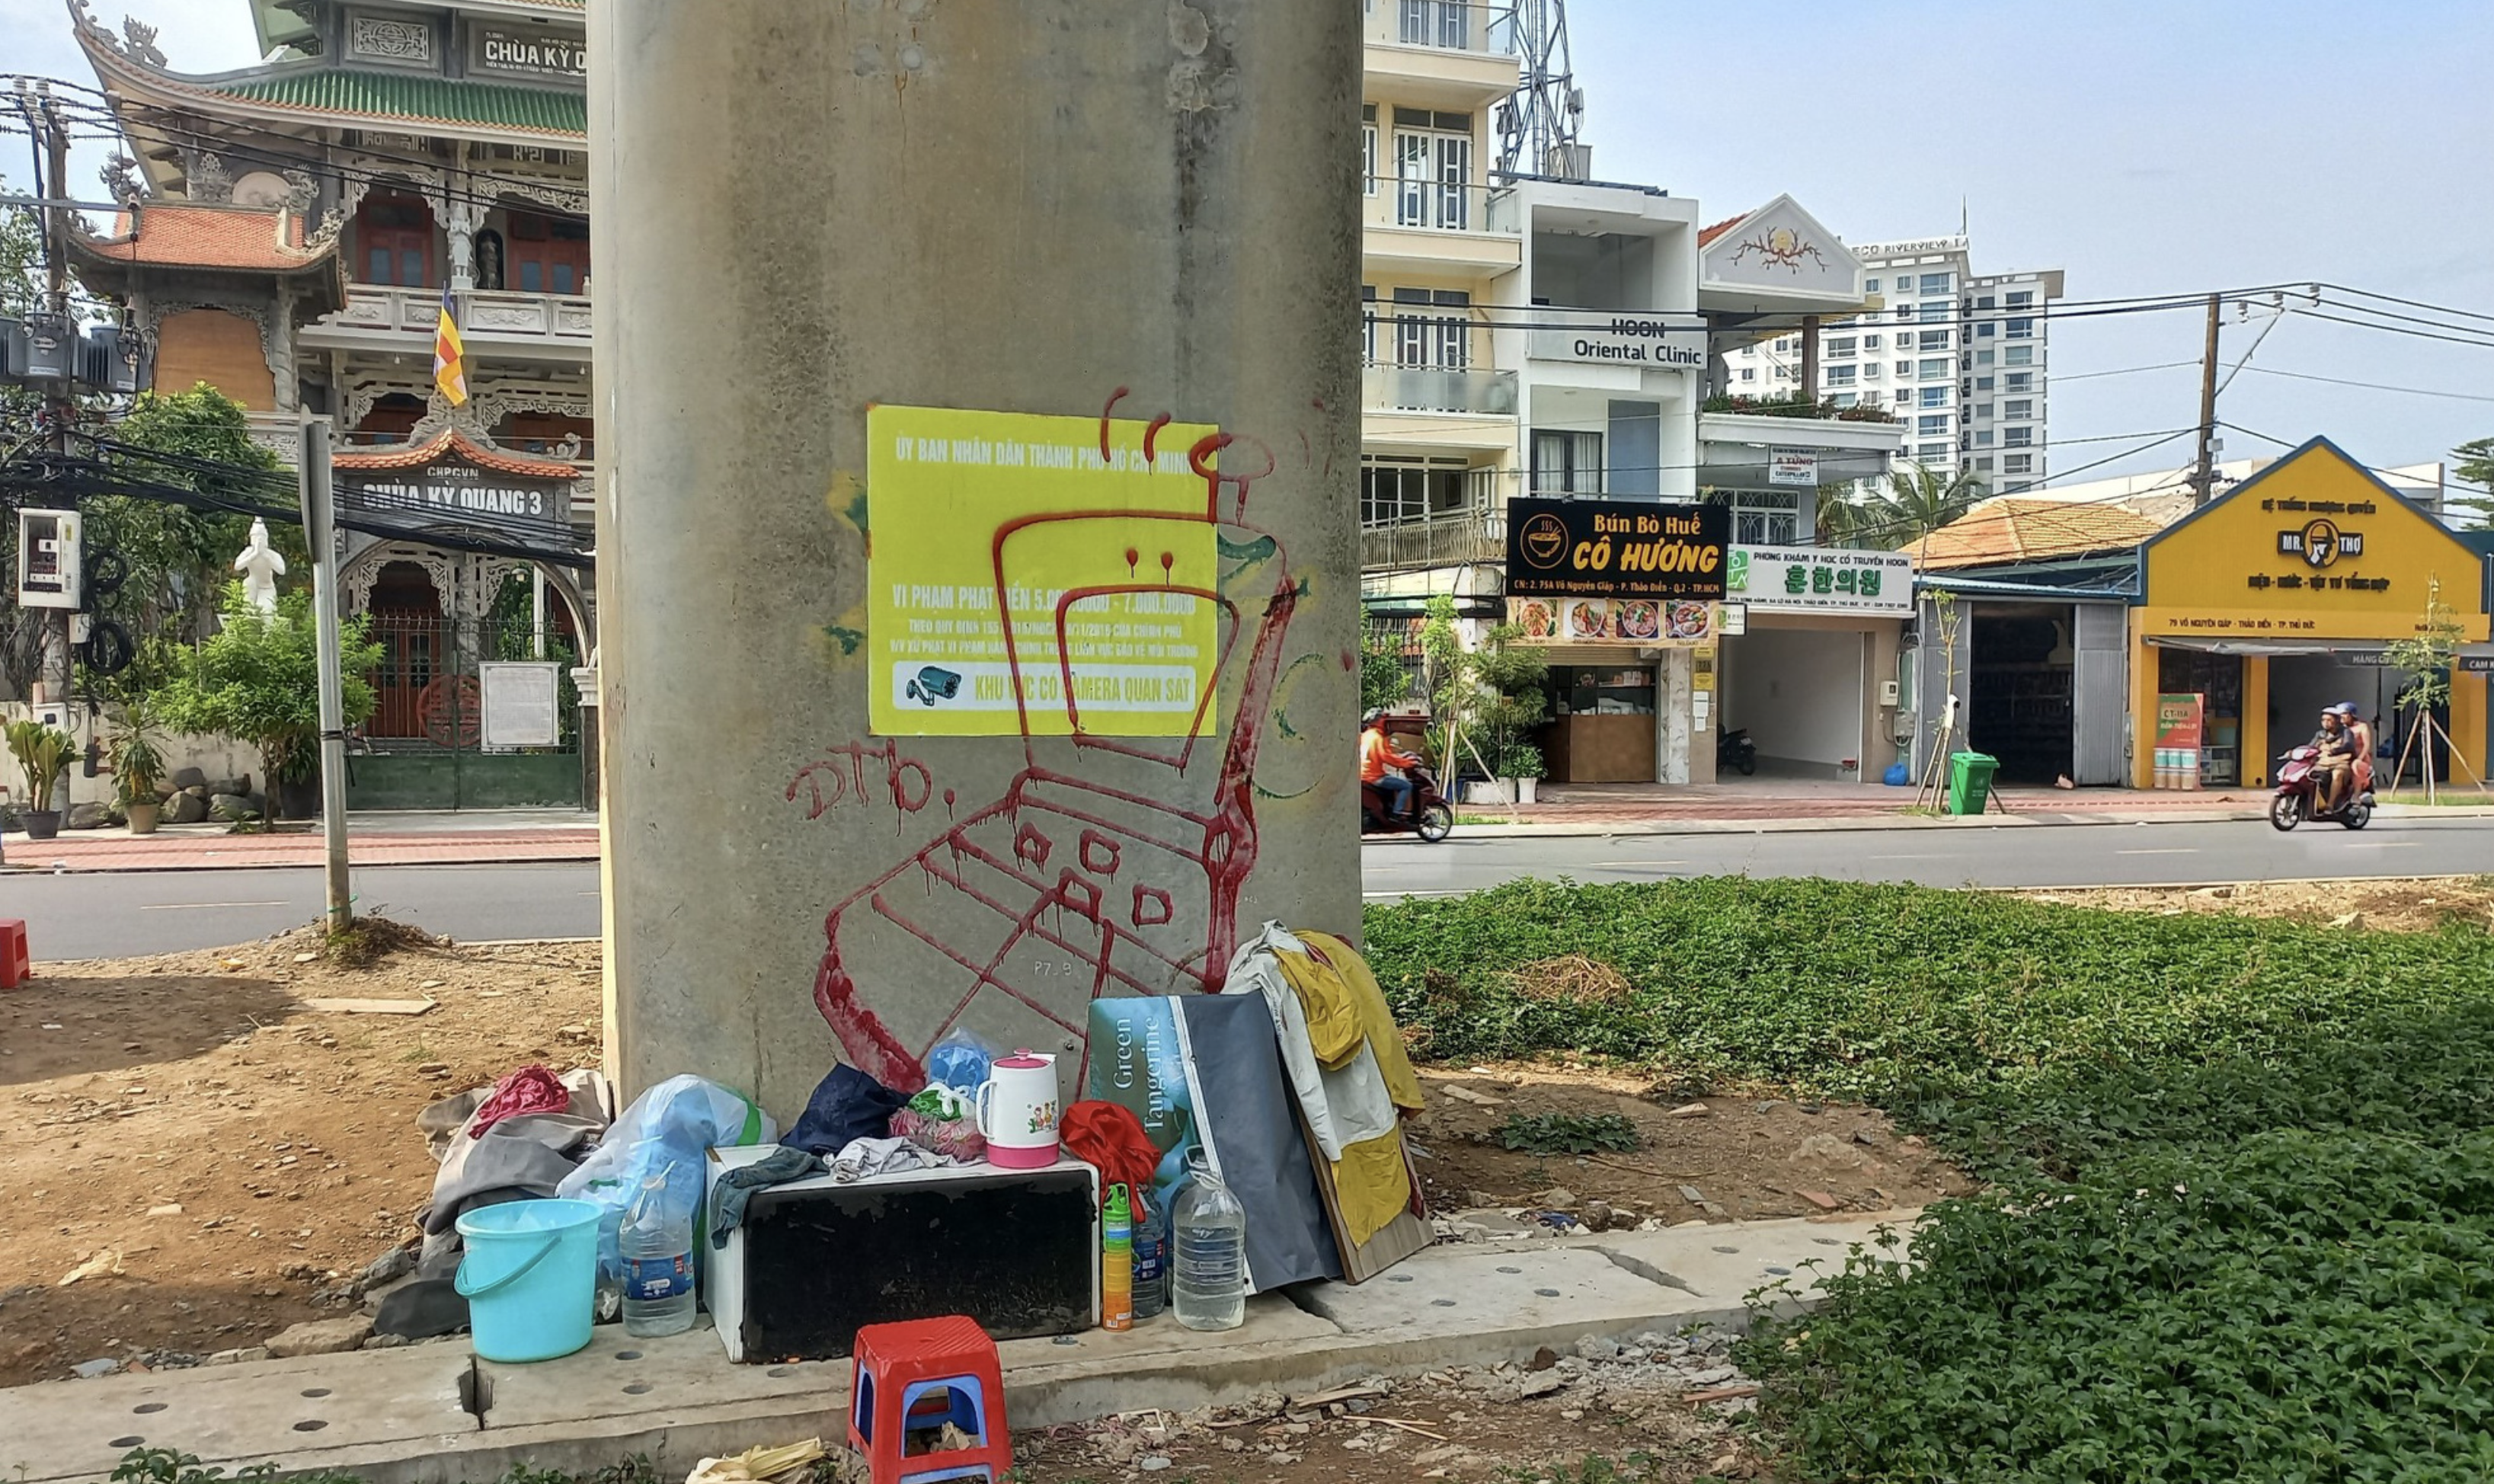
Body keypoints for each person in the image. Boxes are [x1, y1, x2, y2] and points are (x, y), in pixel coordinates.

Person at [1359, 709, 1420, 820]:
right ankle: (1397, 813)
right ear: (1378, 721)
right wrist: (1406, 763)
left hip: (1364, 775)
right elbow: (1386, 757)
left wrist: (1401, 758)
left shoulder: (1365, 736)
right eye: (1383, 718)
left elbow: (1387, 754)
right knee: (1406, 786)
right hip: (1374, 776)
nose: (1385, 721)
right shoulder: (1378, 738)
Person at [2310, 707, 2357, 814]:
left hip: (2340, 764)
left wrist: (2335, 751)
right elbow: (2311, 747)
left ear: (2336, 721)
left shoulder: (2346, 732)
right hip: (2322, 764)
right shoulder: (2320, 734)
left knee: (2337, 774)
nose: (2325, 723)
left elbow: (2349, 745)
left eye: (2329, 720)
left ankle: (2330, 805)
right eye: (2323, 720)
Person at [2337, 702, 2376, 796]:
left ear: (2352, 715)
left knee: (2356, 765)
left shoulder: (2362, 727)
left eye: (2345, 713)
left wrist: (2359, 758)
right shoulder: (2339, 729)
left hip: (2360, 758)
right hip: (2343, 758)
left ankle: (2356, 795)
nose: (2342, 716)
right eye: (2340, 714)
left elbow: (2367, 745)